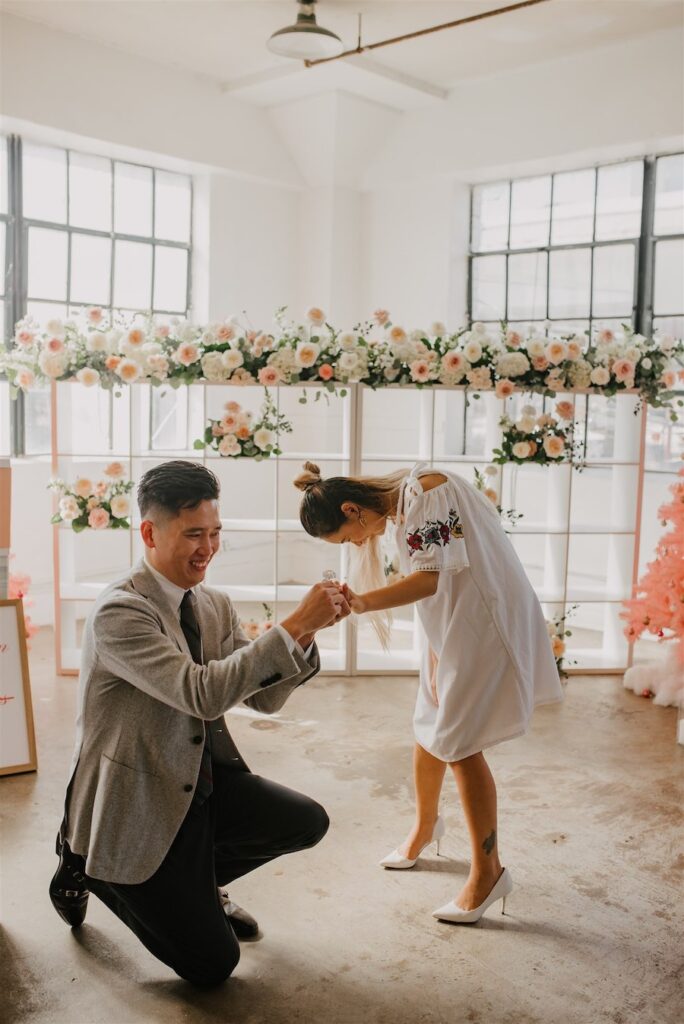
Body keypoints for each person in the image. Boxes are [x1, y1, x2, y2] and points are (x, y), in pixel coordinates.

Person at [50, 459, 350, 985]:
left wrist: (303, 638)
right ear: (148, 531)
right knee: (214, 965)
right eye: (193, 534)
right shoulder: (120, 612)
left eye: (214, 533)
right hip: (137, 797)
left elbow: (262, 699)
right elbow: (201, 693)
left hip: (202, 784)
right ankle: (88, 867)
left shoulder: (213, 604)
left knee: (307, 821)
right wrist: (295, 621)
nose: (207, 548)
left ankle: (195, 887)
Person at [294, 460, 563, 924]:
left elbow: (429, 578)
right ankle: (424, 828)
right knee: (428, 726)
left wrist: (359, 602)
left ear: (352, 509)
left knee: (461, 745)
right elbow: (441, 580)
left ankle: (488, 872)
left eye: (348, 537)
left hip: (483, 622)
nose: (359, 544)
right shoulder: (406, 506)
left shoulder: (428, 492)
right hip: (454, 623)